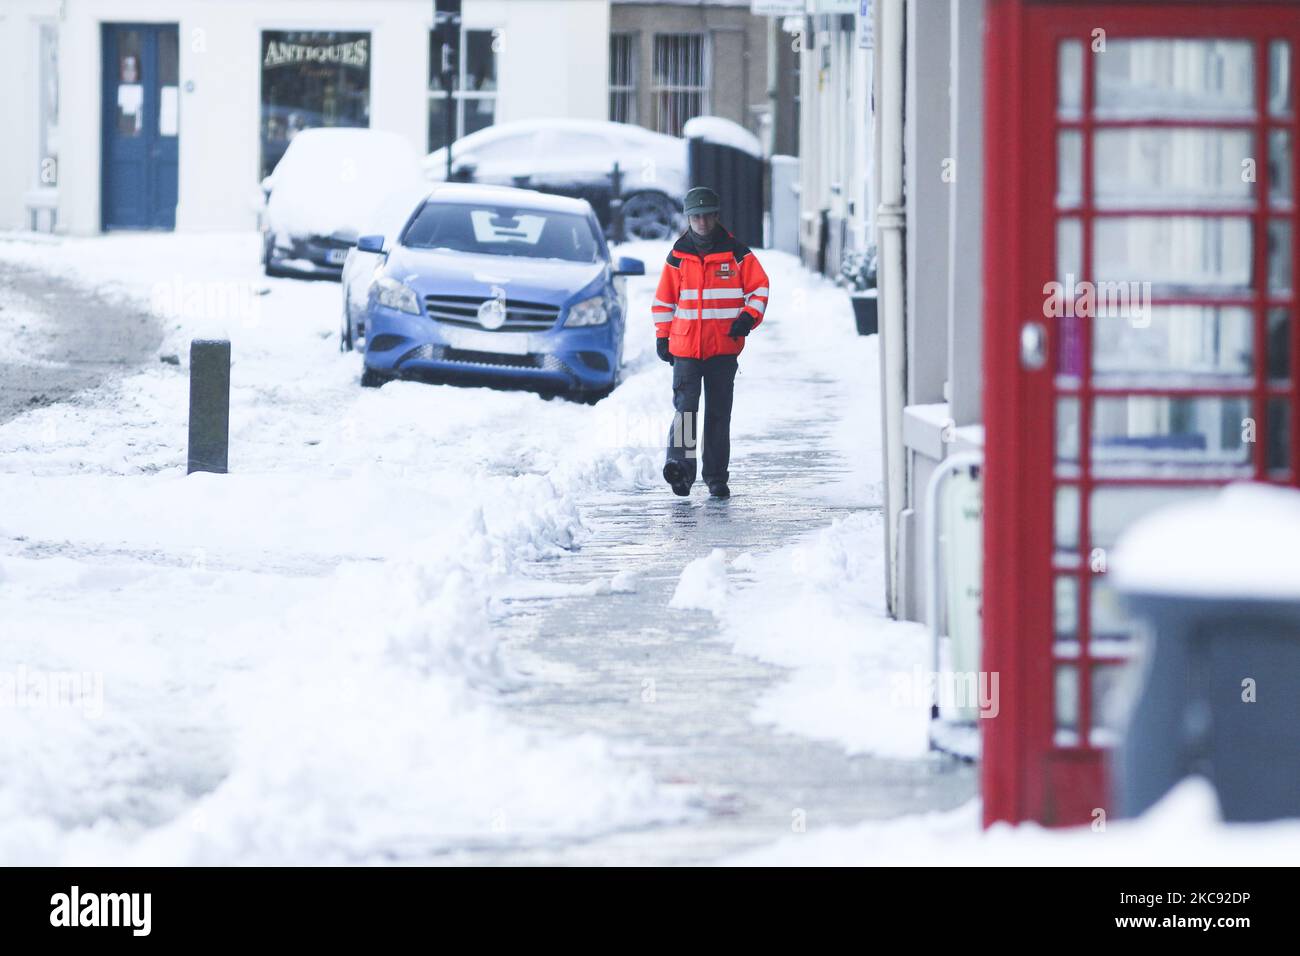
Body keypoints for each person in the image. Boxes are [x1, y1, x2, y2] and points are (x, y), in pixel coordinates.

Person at [651, 186, 770, 499]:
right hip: (686, 349)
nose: (702, 222)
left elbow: (759, 290)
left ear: (716, 217)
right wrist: (662, 335)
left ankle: (716, 477)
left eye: (707, 216)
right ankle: (680, 470)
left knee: (718, 414)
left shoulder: (737, 253)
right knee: (686, 410)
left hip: (723, 348)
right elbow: (664, 301)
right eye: (696, 217)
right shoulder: (678, 255)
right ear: (689, 219)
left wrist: (747, 318)